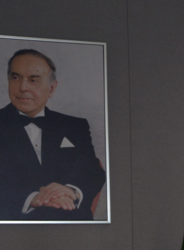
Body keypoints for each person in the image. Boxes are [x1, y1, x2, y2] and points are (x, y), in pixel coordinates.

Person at [0, 49, 106, 221]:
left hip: (72, 222)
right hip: (14, 225)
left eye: (33, 80)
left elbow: (93, 171)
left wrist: (71, 191)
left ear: (52, 88)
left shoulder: (74, 126)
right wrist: (31, 199)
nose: (22, 87)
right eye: (16, 77)